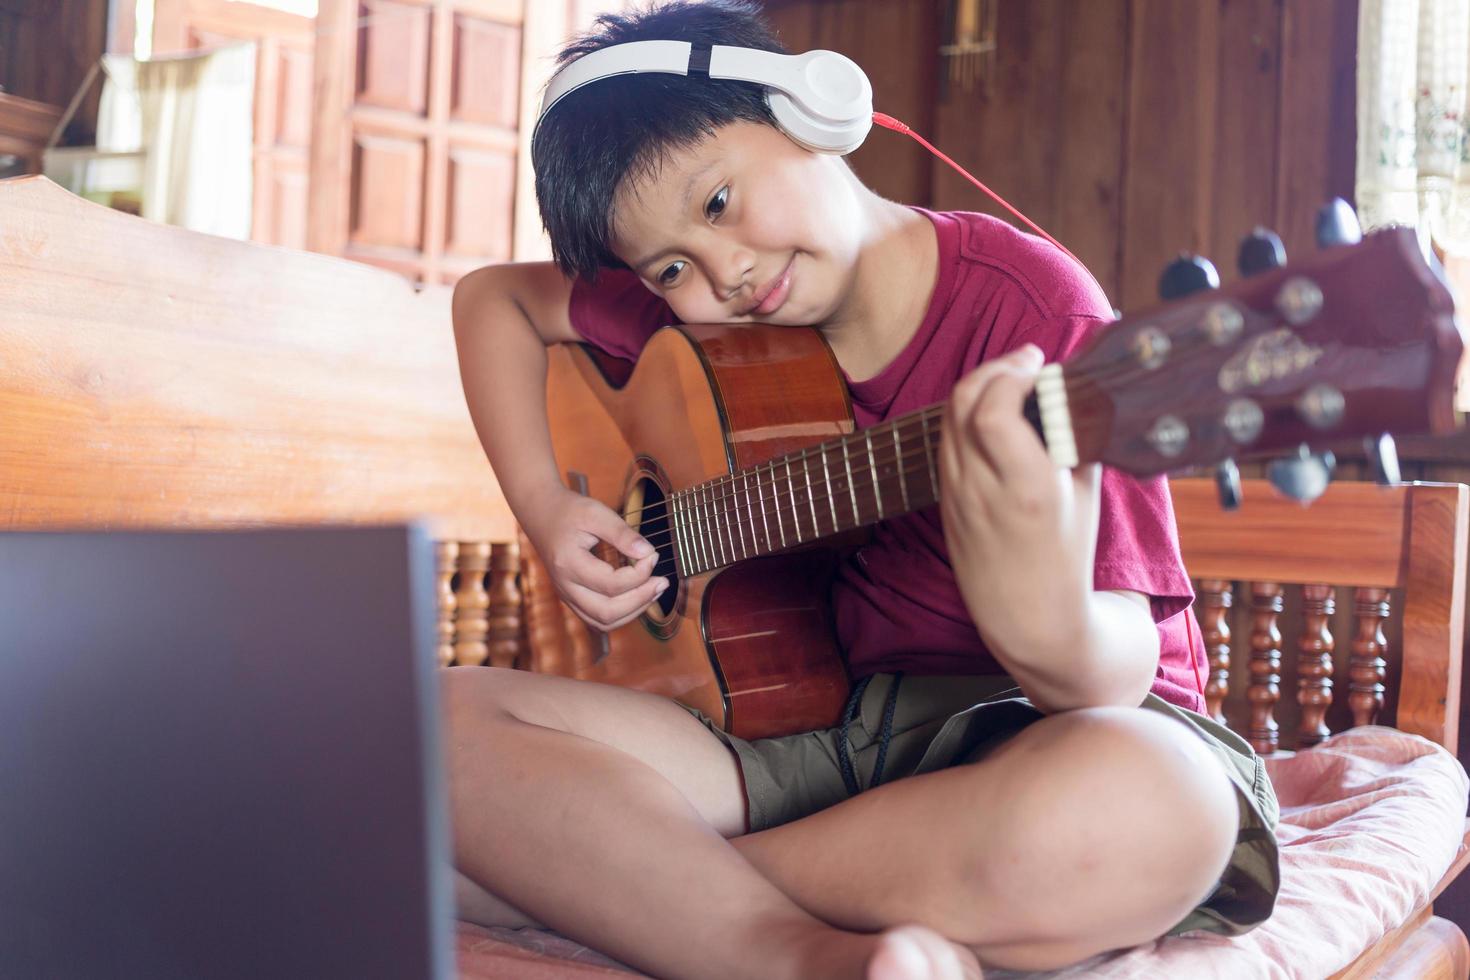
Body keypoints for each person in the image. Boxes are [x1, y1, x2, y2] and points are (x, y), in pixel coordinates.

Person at [445, 3, 1279, 977]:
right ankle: (791, 950)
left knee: (1160, 804)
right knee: (436, 724)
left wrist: (1040, 616)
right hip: (802, 732)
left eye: (718, 204)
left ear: (813, 110)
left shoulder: (1036, 311)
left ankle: (641, 879)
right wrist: (548, 507)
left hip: (1030, 735)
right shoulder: (708, 328)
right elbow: (491, 299)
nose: (725, 273)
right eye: (672, 266)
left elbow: (1116, 676)